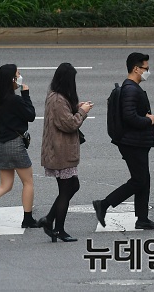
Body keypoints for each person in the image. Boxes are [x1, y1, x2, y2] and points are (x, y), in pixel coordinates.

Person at [93, 52, 154, 231]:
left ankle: (142, 219)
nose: (148, 71)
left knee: (143, 179)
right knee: (139, 180)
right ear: (136, 69)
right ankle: (104, 204)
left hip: (137, 141)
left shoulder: (132, 87)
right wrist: (149, 120)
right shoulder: (131, 89)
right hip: (132, 143)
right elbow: (129, 117)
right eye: (146, 68)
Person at [0, 65, 37, 228]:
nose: (20, 77)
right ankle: (28, 219)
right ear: (12, 79)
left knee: (5, 185)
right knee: (28, 182)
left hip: (2, 146)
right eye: (18, 74)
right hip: (16, 145)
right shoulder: (15, 100)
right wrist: (26, 94)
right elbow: (31, 115)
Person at [39, 63, 93, 243]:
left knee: (71, 186)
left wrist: (77, 107)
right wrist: (82, 112)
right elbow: (70, 124)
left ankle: (49, 220)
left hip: (59, 151)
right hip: (60, 152)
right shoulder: (58, 99)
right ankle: (58, 229)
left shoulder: (57, 96)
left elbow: (63, 116)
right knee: (67, 189)